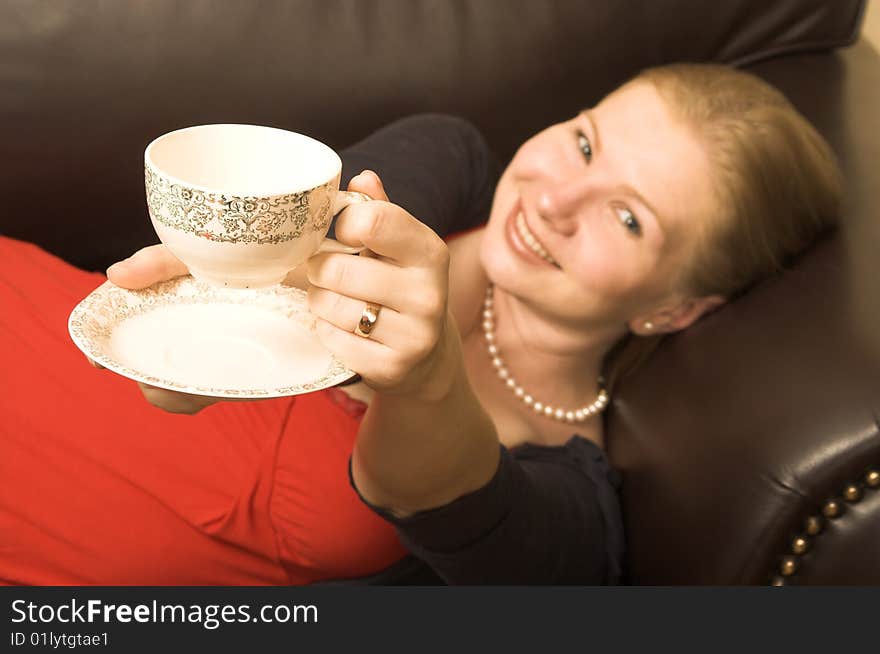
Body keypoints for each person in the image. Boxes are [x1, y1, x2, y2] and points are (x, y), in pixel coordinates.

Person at [0, 64, 841, 585]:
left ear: (673, 308)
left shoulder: (570, 502)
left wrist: (430, 375)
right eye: (585, 145)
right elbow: (321, 221)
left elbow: (461, 507)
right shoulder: (450, 163)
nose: (554, 199)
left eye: (629, 219)